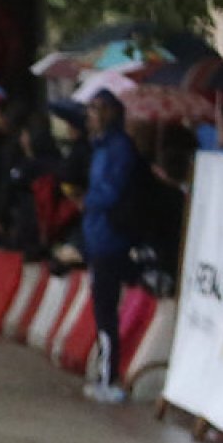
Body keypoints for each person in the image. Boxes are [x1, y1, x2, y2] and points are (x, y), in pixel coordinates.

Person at [79, 89, 138, 405]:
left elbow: (110, 191)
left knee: (106, 311)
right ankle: (105, 374)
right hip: (97, 236)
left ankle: (108, 377)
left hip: (109, 240)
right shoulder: (100, 147)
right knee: (102, 310)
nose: (90, 114)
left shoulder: (118, 149)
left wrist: (86, 199)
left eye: (96, 108)